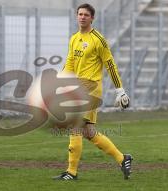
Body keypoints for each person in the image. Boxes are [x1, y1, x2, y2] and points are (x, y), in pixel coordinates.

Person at [53, 3, 133, 180]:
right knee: (88, 132)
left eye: (86, 15)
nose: (82, 17)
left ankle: (71, 172)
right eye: (80, 14)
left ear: (92, 18)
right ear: (77, 16)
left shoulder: (98, 40)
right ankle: (123, 158)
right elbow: (70, 64)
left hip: (91, 87)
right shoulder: (74, 38)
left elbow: (110, 64)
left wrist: (120, 90)